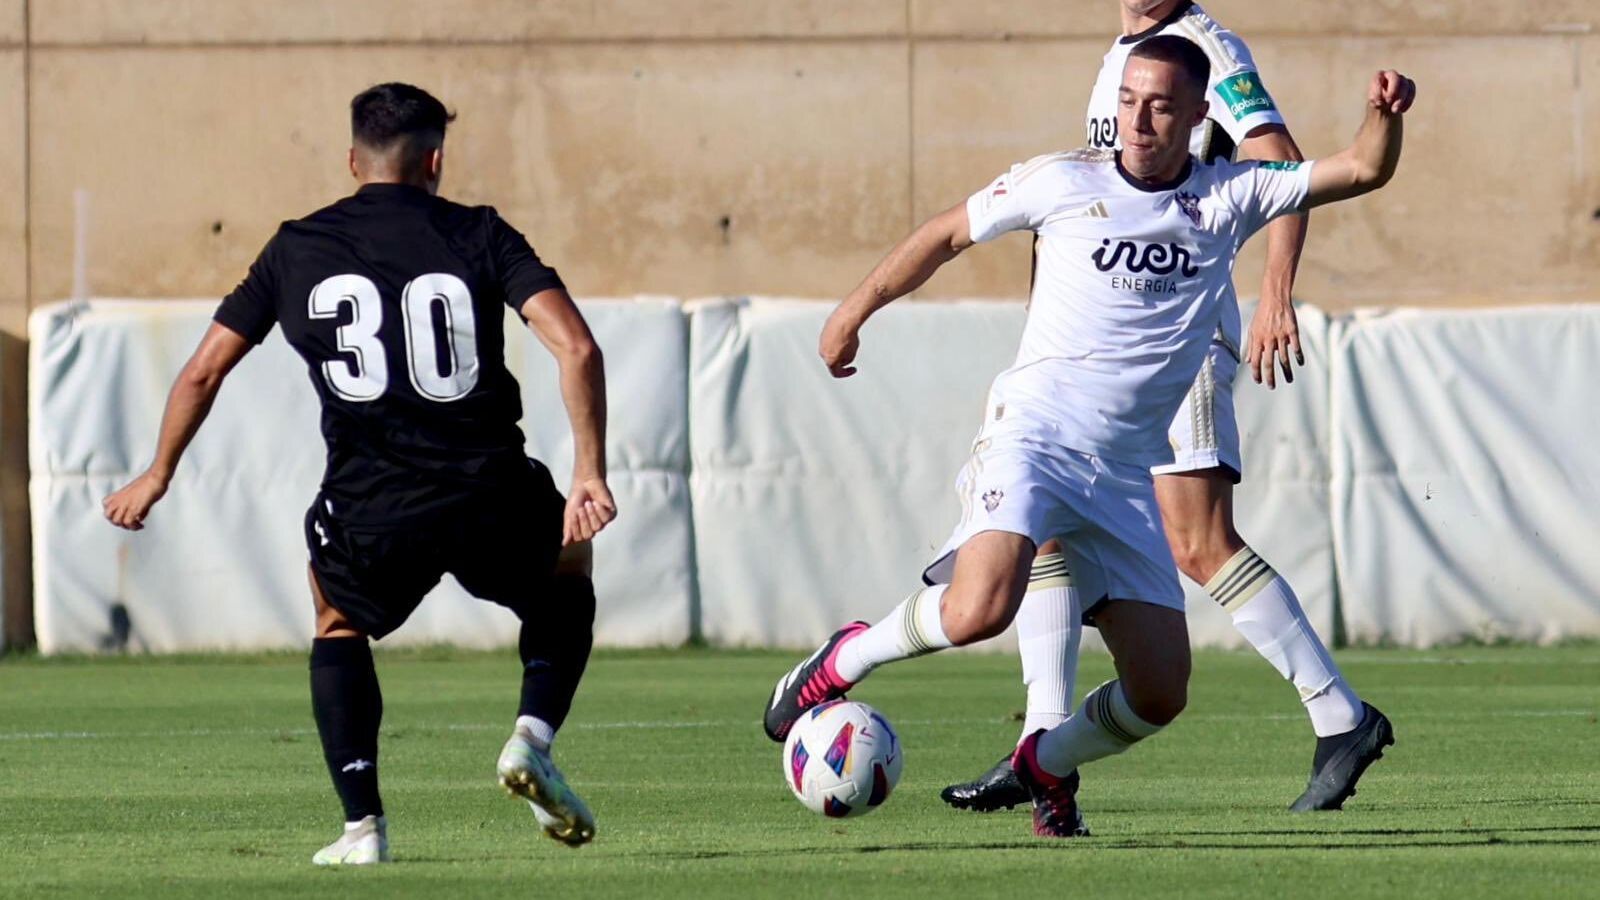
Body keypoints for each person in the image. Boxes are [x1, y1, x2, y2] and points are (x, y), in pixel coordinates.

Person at [764, 35, 1415, 837]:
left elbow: (1362, 169)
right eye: (1130, 101)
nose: (1139, 119)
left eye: (1162, 105)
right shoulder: (1062, 179)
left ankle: (1044, 761)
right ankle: (843, 661)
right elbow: (946, 232)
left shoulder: (1229, 194)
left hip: (1127, 473)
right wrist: (852, 310)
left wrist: (1381, 117)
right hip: (1033, 438)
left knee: (1161, 693)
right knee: (978, 610)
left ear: (1196, 116)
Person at [102, 83, 617, 862]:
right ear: (436, 161)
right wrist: (588, 472)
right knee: (567, 565)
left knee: (338, 620)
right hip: (490, 487)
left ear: (352, 160)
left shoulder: (296, 246)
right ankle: (532, 736)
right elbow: (576, 346)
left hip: (373, 505)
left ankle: (362, 827)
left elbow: (204, 371)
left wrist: (156, 474)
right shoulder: (480, 232)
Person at [942, 0, 1393, 816]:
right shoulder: (1133, 51)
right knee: (1045, 524)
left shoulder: (1204, 48)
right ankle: (1045, 766)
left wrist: (1274, 293)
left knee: (1199, 539)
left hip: (1171, 335)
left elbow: (1280, 161)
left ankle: (1340, 715)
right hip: (1095, 349)